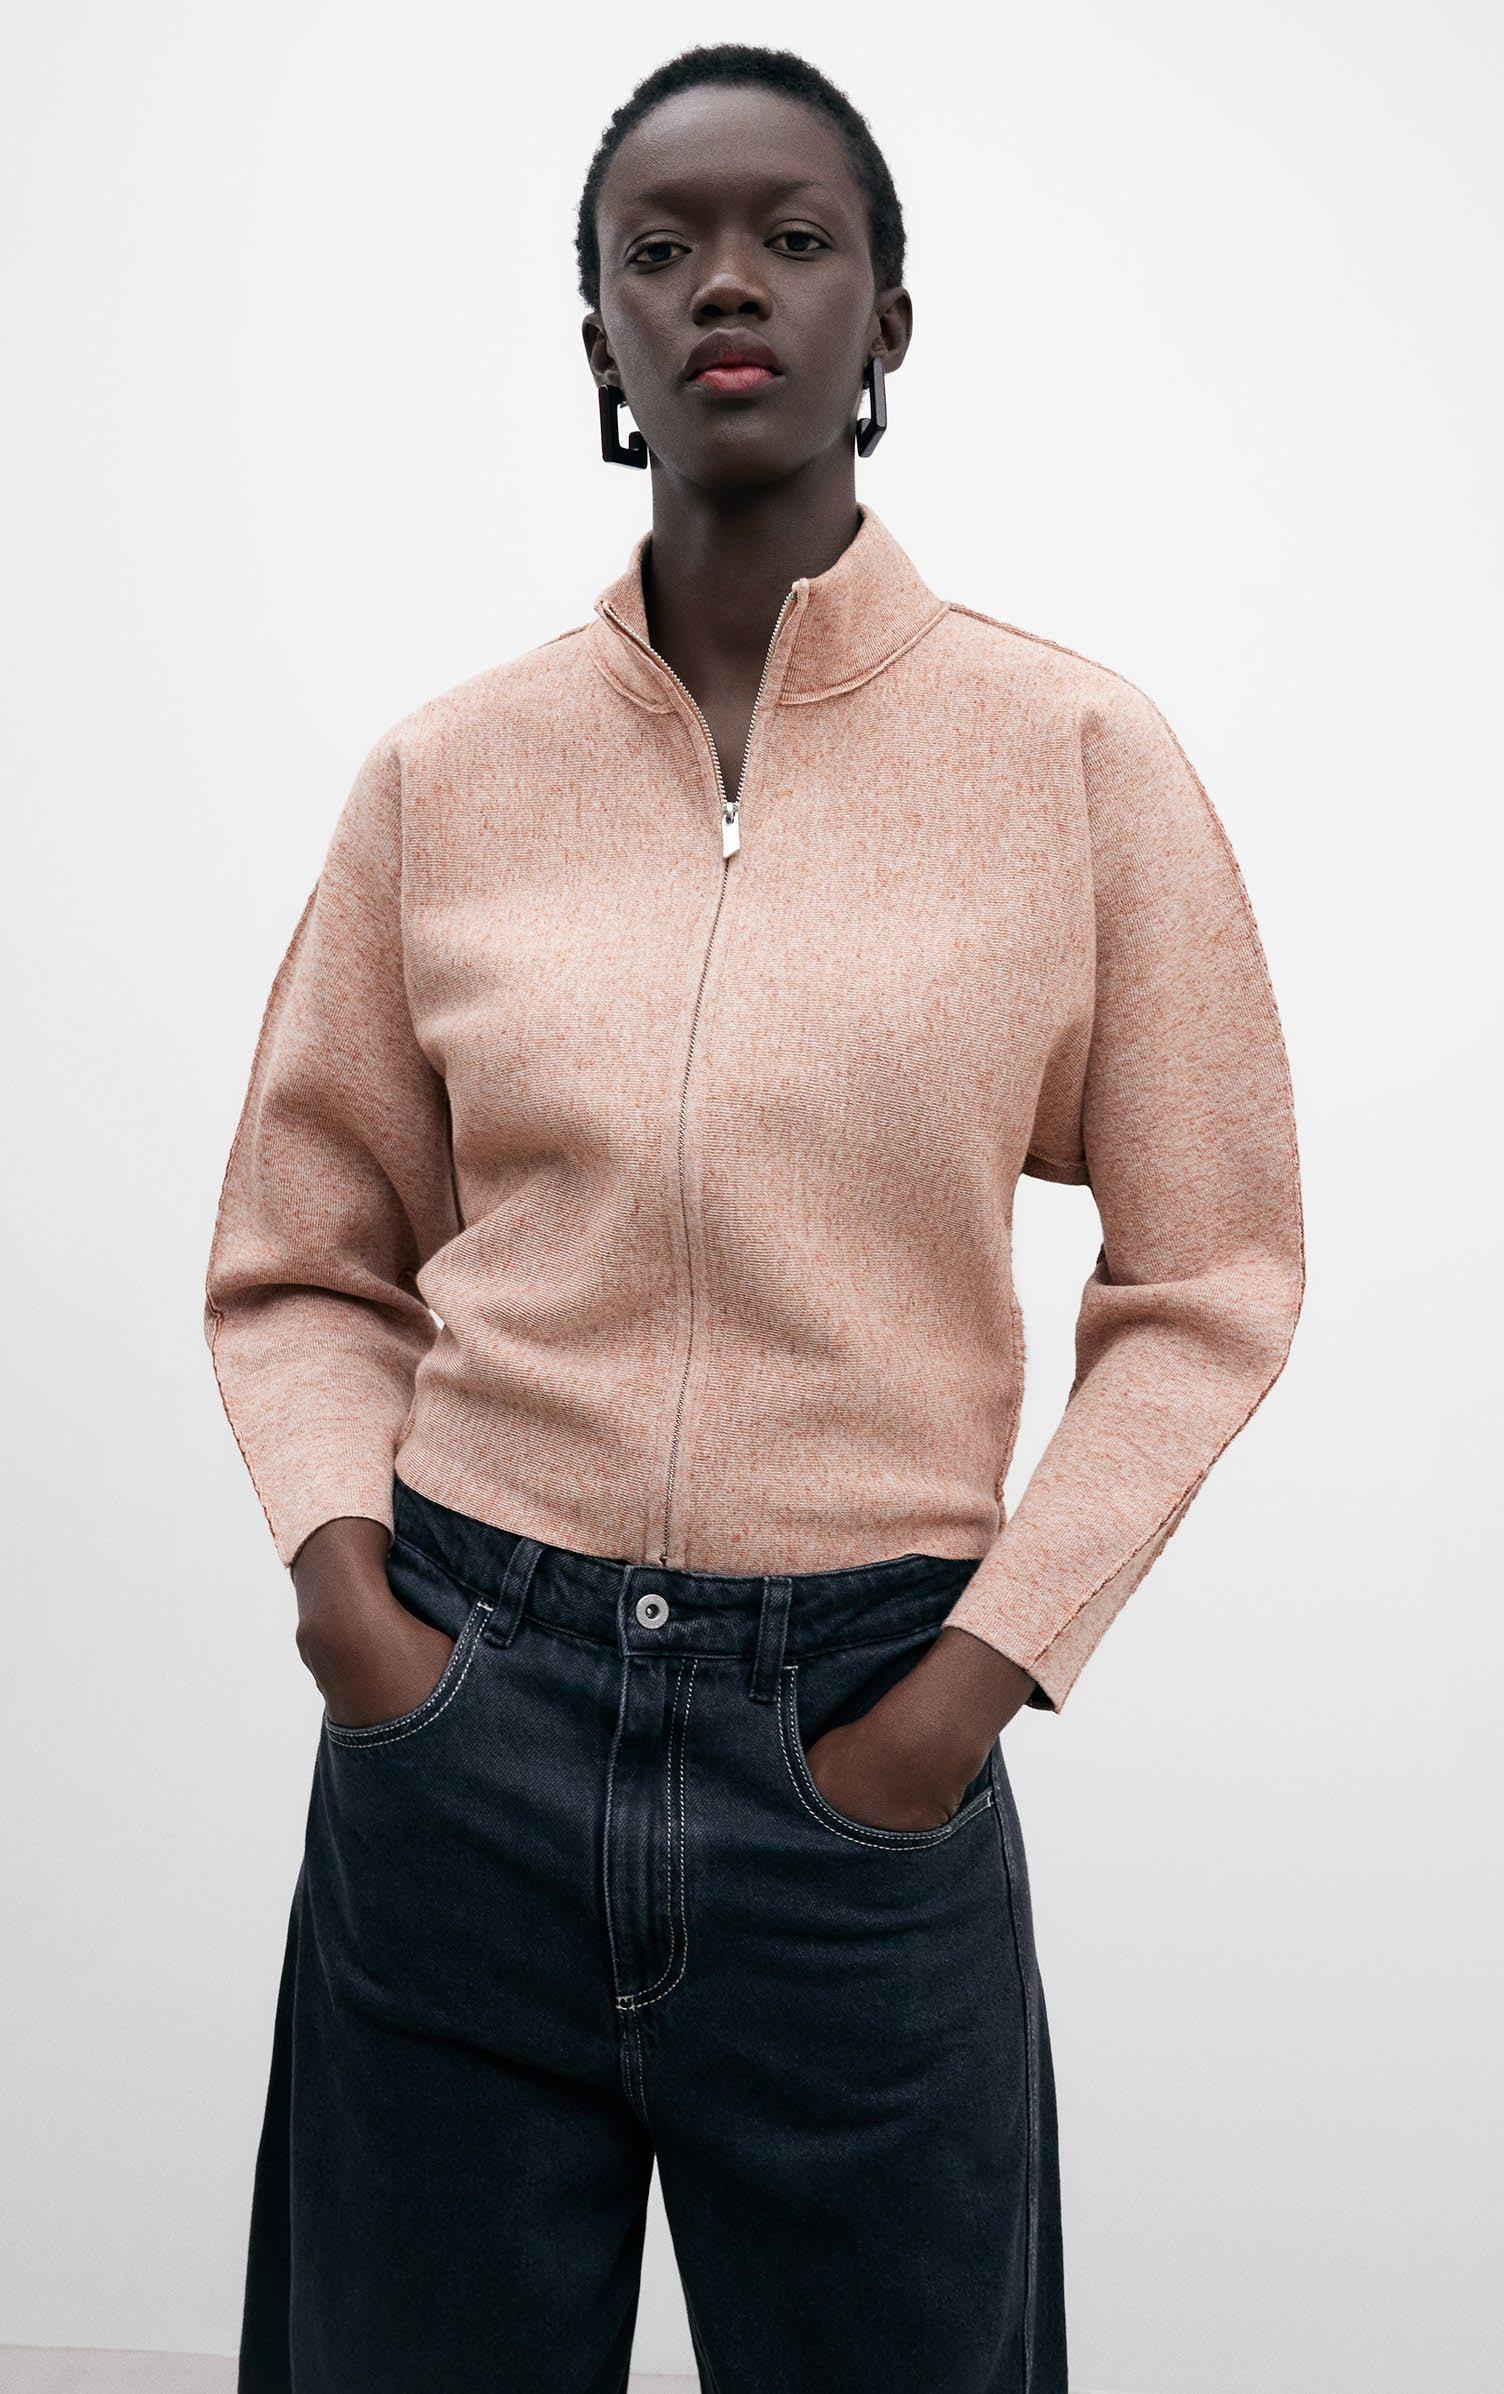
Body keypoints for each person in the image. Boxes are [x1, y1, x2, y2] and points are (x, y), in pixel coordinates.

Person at [204, 40, 1305, 2394]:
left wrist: (968, 1686)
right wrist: (350, 1610)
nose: (726, 283)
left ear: (883, 320)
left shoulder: (1070, 764)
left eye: (792, 240)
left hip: (857, 1752)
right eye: (661, 247)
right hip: (462, 1718)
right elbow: (302, 1254)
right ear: (596, 329)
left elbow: (1211, 1275)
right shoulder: (448, 776)